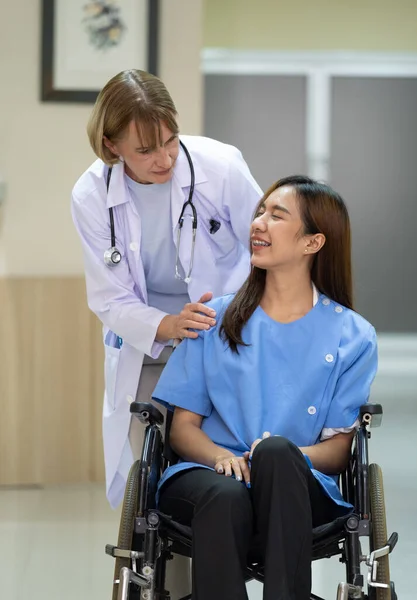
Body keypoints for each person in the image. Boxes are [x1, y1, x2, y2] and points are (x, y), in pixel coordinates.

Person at [152, 175, 378, 600]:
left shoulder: (352, 335)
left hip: (300, 484)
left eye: (277, 216)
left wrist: (274, 458)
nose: (259, 222)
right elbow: (182, 430)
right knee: (225, 493)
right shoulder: (214, 318)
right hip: (209, 476)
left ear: (313, 243)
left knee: (276, 452)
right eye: (260, 212)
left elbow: (336, 452)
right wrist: (224, 458)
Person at [71, 69, 262, 510]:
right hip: (149, 343)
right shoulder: (90, 196)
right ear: (111, 146)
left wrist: (235, 313)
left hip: (226, 332)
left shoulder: (220, 166)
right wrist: (170, 324)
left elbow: (267, 244)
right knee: (150, 476)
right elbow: (110, 297)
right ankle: (168, 577)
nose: (164, 158)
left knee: (226, 462)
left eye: (171, 139)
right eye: (145, 149)